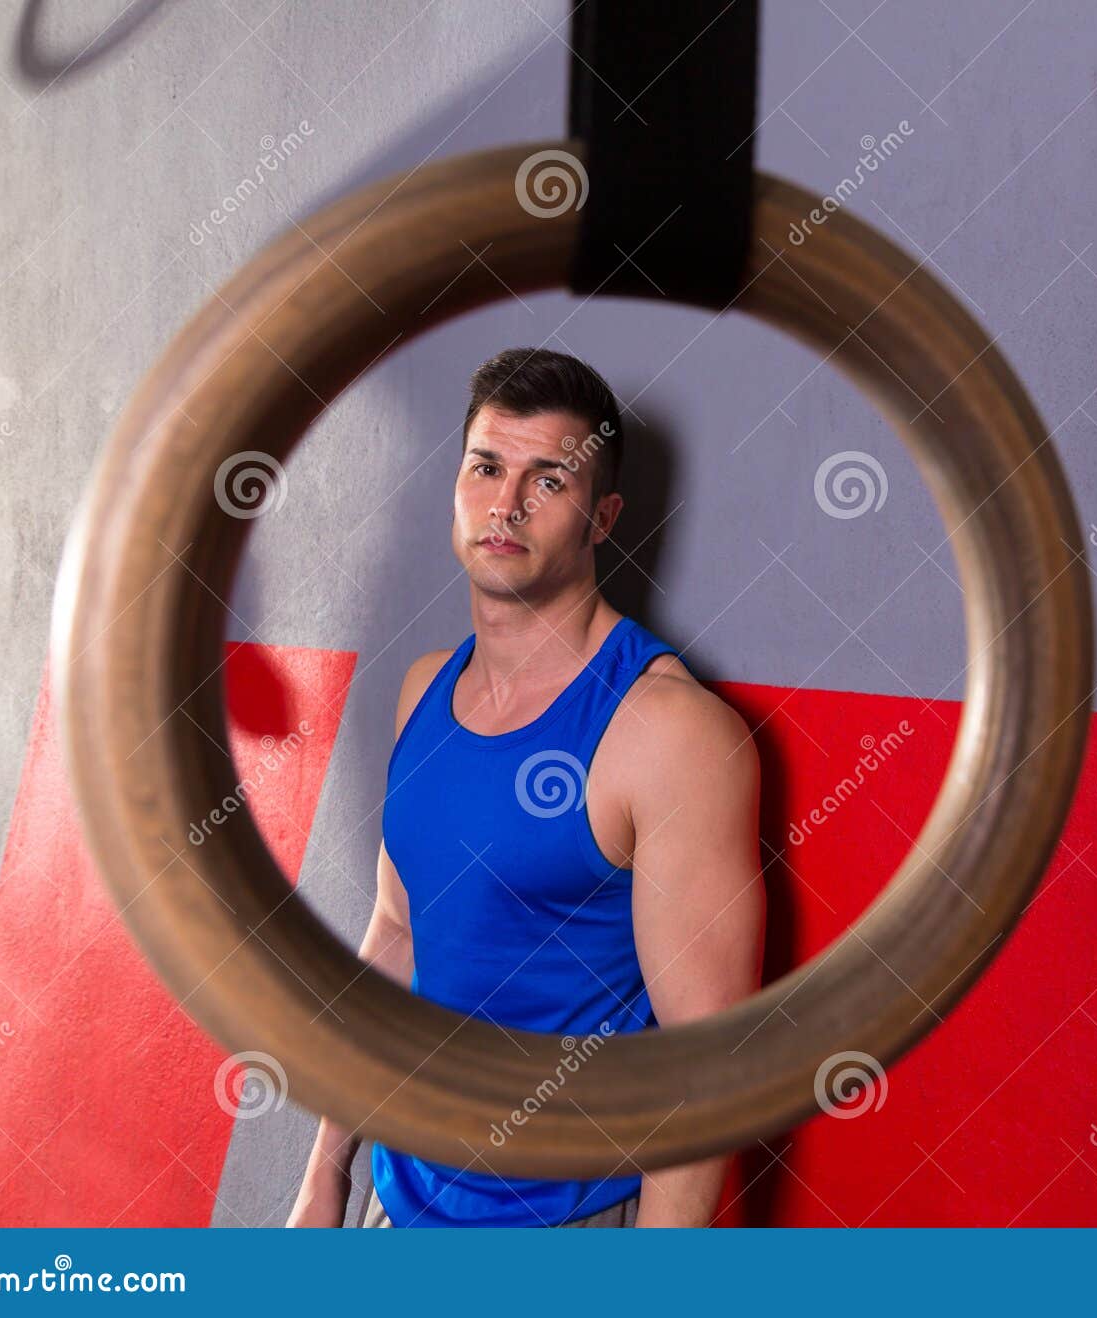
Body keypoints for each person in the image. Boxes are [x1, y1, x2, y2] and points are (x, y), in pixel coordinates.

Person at [286, 346, 766, 1227]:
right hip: (401, 1197)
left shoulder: (667, 732)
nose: (505, 504)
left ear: (603, 516)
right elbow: (396, 934)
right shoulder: (425, 689)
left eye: (549, 479)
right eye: (487, 467)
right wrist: (326, 1173)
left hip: (564, 1222)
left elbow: (706, 1072)